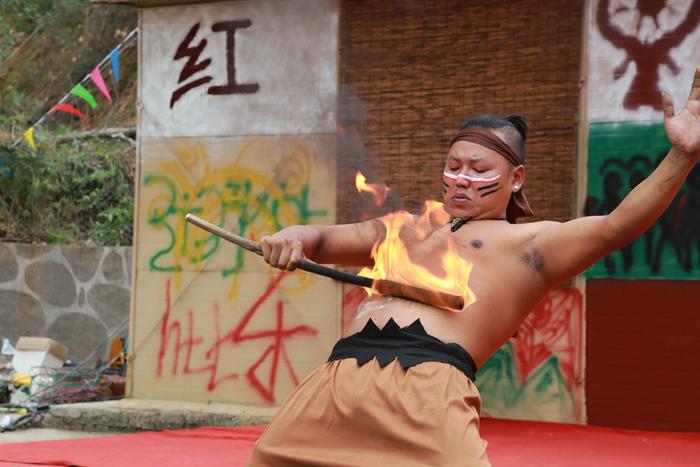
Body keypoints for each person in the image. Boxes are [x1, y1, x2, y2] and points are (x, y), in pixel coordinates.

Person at [247, 68, 700, 466]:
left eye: (479, 167)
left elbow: (616, 225)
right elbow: (320, 237)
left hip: (428, 389)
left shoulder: (530, 244)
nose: (462, 178)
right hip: (336, 382)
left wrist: (681, 156)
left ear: (515, 178)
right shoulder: (403, 227)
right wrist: (291, 237)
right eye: (454, 165)